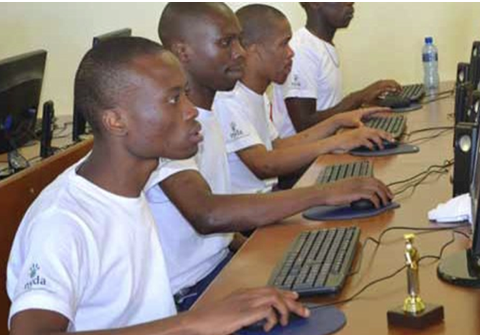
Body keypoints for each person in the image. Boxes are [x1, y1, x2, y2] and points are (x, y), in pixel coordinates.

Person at [6, 37, 308, 335]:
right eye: (173, 99)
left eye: (185, 94)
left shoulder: (132, 183)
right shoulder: (62, 221)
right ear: (116, 121)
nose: (191, 110)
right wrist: (189, 322)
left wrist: (201, 320)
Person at [154, 2, 394, 311]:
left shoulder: (208, 115)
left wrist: (265, 254)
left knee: (350, 274)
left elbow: (218, 235)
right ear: (182, 51)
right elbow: (208, 214)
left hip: (222, 266)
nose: (241, 53)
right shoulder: (172, 128)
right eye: (226, 43)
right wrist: (327, 193)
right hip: (192, 293)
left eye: (239, 41)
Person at [213, 3, 395, 195]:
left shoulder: (256, 96)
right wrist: (336, 142)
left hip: (268, 198)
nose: (291, 53)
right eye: (283, 44)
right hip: (252, 213)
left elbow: (276, 146)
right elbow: (264, 165)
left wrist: (338, 121)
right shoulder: (228, 100)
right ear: (253, 50)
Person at [273, 3, 401, 138]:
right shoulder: (301, 50)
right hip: (308, 156)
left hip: (329, 144)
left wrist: (364, 103)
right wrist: (358, 98)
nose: (350, 3)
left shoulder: (320, 44)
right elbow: (305, 125)